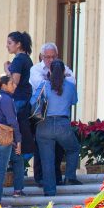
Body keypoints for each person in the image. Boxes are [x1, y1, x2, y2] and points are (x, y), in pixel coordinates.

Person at [31, 61, 81, 196]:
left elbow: (32, 102)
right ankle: (70, 177)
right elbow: (74, 101)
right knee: (73, 149)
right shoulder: (70, 86)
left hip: (44, 125)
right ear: (64, 71)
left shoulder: (43, 84)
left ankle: (50, 191)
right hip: (62, 124)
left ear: (50, 71)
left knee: (47, 159)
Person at [4, 32, 37, 184]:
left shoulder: (18, 60)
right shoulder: (27, 59)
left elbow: (14, 83)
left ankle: (19, 164)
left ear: (18, 44)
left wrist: (6, 70)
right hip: (26, 98)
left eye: (10, 43)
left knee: (15, 133)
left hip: (18, 100)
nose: (7, 46)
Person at [0, 74, 23, 199]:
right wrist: (18, 140)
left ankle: (18, 190)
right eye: (11, 83)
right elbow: (13, 121)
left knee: (18, 159)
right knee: (1, 170)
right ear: (4, 85)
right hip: (4, 139)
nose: (14, 85)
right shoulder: (6, 99)